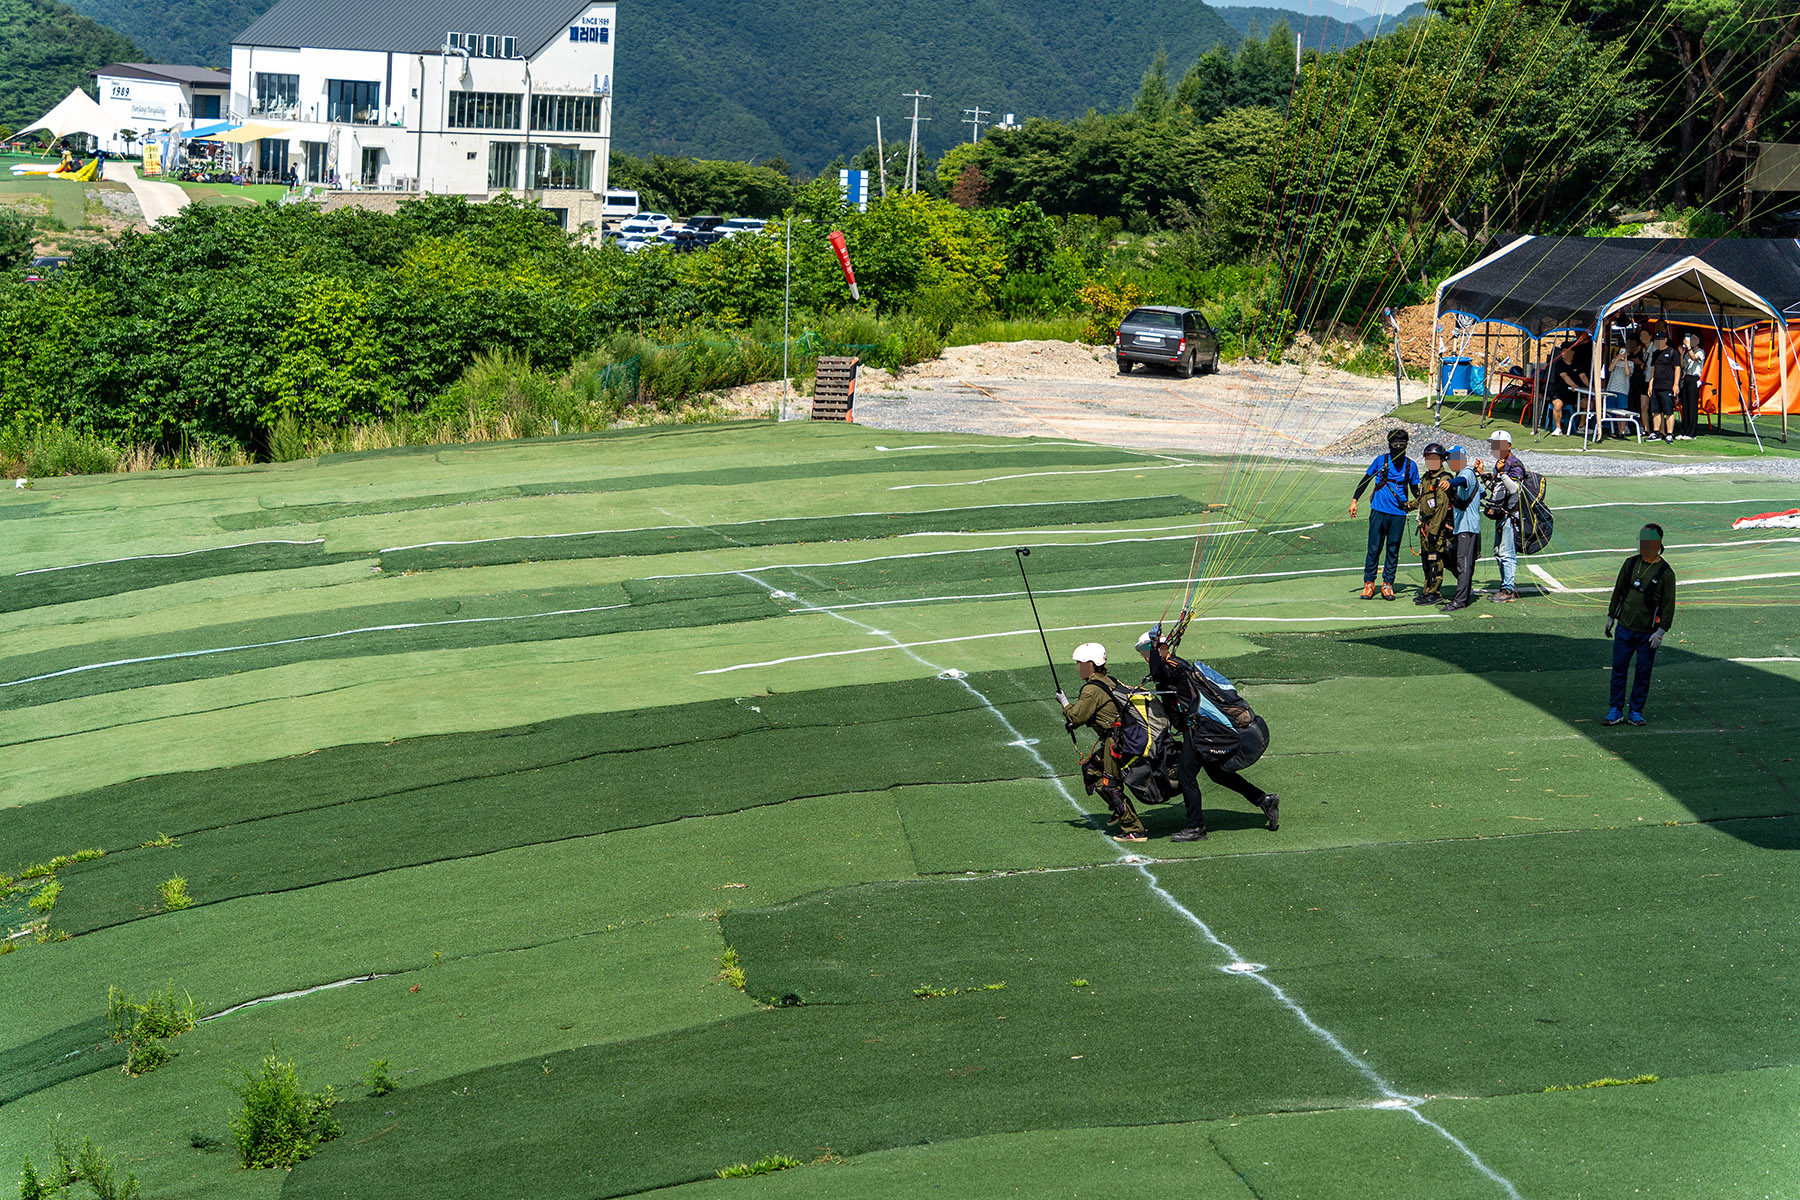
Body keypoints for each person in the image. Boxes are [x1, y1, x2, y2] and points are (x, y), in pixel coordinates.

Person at [1137, 629, 1278, 842]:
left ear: (1154, 650)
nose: (1146, 658)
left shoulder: (1171, 668)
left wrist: (1155, 647)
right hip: (1198, 730)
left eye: (1147, 653)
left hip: (1199, 732)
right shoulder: (1174, 664)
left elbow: (1158, 672)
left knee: (1186, 776)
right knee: (1217, 774)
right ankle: (1264, 800)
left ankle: (1196, 827)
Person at [1059, 642, 1148, 843]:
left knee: (1110, 785)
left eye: (1080, 664)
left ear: (1091, 664)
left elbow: (1076, 716)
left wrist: (1064, 703)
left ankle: (1134, 829)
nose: (1078, 668)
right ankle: (1118, 808)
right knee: (1091, 770)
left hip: (1116, 742)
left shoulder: (1091, 689)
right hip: (1122, 737)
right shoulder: (1108, 680)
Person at [1604, 524, 1677, 726]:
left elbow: (1668, 606)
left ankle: (1635, 711)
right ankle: (1615, 709)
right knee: (1618, 671)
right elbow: (1619, 591)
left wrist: (1660, 632)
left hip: (1648, 633)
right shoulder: (1630, 564)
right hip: (1624, 629)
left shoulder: (1666, 573)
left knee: (1642, 674)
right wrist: (1611, 616)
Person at [1348, 428, 1420, 601]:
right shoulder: (1380, 461)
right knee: (1374, 548)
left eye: (1401, 444)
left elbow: (1415, 490)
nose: (1398, 448)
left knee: (1393, 549)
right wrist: (1354, 500)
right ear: (1389, 445)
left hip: (1398, 514)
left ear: (1406, 446)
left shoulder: (1411, 466)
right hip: (1379, 511)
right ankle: (1369, 583)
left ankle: (1388, 584)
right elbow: (1365, 480)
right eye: (1395, 444)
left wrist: (1423, 508)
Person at [1474, 429, 1525, 603]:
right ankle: (1505, 586)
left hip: (1511, 516)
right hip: (1501, 514)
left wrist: (1502, 473)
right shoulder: (1499, 464)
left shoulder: (1515, 465)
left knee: (1507, 553)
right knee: (1498, 552)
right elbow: (1496, 489)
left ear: (1508, 446)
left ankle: (1508, 590)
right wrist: (1482, 474)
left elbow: (1514, 489)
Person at [1439, 445, 1484, 612]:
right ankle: (1463, 594)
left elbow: (1462, 481)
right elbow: (1482, 493)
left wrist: (1449, 482)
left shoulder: (1466, 473)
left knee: (1463, 563)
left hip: (1467, 527)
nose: (1450, 462)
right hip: (1465, 526)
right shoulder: (1468, 474)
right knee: (1461, 561)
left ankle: (1460, 600)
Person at [1415, 442, 1454, 605]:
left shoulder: (1443, 479)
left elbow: (1441, 508)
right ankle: (1427, 590)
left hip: (1435, 528)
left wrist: (1433, 531)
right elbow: (1422, 499)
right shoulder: (1426, 478)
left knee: (1434, 559)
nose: (1431, 462)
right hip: (1425, 526)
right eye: (1428, 458)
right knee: (1426, 559)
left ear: (1442, 460)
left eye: (1434, 459)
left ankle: (1435, 592)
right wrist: (1408, 505)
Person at [1647, 331, 1681, 444]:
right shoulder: (1655, 353)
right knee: (1656, 410)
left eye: (1660, 340)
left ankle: (1669, 434)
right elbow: (1653, 369)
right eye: (1656, 341)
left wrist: (1676, 384)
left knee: (1668, 410)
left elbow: (1677, 368)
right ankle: (1656, 432)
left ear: (1665, 340)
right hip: (1656, 386)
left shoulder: (1672, 352)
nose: (1658, 342)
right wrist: (1650, 383)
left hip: (1667, 386)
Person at [1547, 342, 1587, 436]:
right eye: (1564, 351)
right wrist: (1573, 384)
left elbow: (1583, 376)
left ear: (1573, 352)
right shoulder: (1559, 364)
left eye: (1568, 351)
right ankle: (1558, 428)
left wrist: (1591, 387)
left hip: (1574, 395)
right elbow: (1564, 376)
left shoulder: (1577, 363)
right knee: (1557, 405)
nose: (1566, 354)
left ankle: (1581, 426)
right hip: (1559, 393)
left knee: (1588, 404)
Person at [1629, 326, 1654, 435]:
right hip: (1644, 379)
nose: (1643, 337)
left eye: (1645, 335)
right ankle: (1646, 429)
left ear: (1650, 336)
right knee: (1643, 406)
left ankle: (1659, 430)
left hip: (1653, 379)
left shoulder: (1655, 348)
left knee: (1656, 407)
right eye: (1641, 335)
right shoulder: (1643, 350)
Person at [1678, 334, 1704, 440]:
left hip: (1694, 379)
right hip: (1686, 378)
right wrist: (1681, 354)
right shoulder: (1688, 353)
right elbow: (1683, 366)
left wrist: (1688, 347)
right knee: (1685, 406)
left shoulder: (1700, 352)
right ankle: (1684, 431)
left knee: (1692, 406)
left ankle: (1692, 433)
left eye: (1694, 339)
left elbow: (1695, 358)